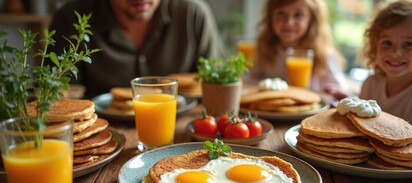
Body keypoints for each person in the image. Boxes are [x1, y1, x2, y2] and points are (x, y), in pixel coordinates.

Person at [48, 0, 225, 97]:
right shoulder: (70, 18)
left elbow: (220, 85)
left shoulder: (193, 14)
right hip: (99, 136)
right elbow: (57, 95)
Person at [250, 0, 351, 100]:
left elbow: (340, 93)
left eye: (298, 15)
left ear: (312, 20)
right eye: (281, 13)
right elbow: (253, 79)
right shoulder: (265, 48)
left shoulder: (324, 55)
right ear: (270, 16)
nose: (289, 22)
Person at [359, 0, 412, 130]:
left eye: (408, 44)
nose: (395, 53)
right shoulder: (371, 84)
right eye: (387, 42)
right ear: (375, 45)